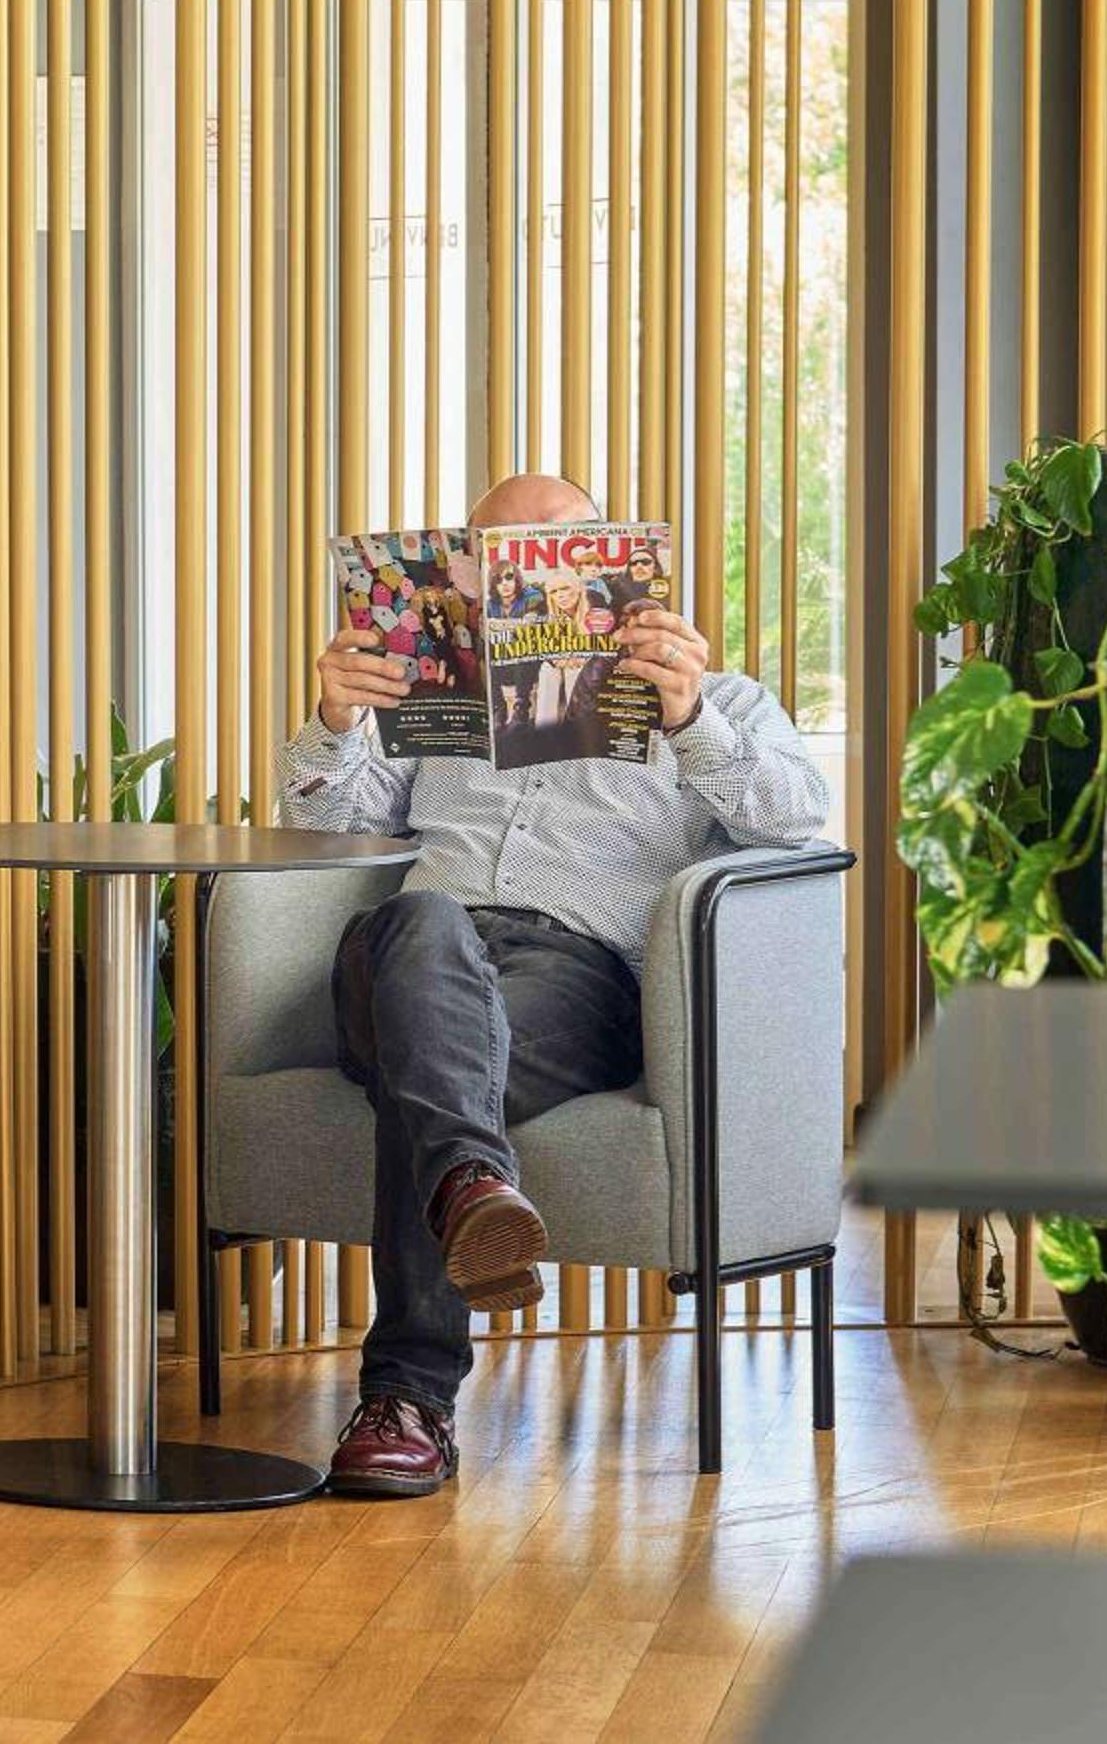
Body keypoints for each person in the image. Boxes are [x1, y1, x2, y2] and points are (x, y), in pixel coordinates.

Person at [279, 472, 831, 1497]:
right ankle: (469, 1204)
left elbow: (796, 821)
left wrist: (691, 719)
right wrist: (337, 722)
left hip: (574, 981)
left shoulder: (719, 701)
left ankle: (415, 1373)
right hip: (407, 957)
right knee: (423, 922)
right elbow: (323, 835)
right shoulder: (432, 700)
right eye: (494, 558)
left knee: (426, 1068)